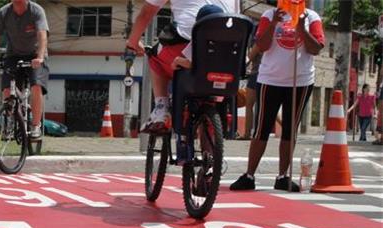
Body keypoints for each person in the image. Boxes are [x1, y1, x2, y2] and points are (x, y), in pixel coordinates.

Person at [230, 6, 325, 192]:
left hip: (300, 80)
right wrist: (273, 23)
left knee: (290, 129)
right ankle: (249, 175)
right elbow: (262, 45)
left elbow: (316, 48)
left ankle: (283, 176)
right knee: (262, 127)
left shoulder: (311, 17)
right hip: (270, 79)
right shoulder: (268, 15)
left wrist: (302, 30)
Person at [126, 0, 239, 134]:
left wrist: (133, 43)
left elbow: (146, 14)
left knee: (154, 57)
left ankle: (161, 108)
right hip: (228, 55)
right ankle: (209, 149)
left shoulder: (197, 33)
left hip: (183, 44)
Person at [0, 0, 48, 140]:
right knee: (7, 89)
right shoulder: (4, 12)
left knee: (36, 86)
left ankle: (36, 125)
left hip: (35, 55)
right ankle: (11, 121)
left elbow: (42, 35)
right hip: (13, 55)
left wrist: (40, 57)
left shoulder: (36, 10)